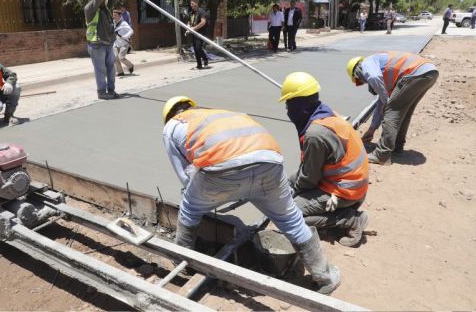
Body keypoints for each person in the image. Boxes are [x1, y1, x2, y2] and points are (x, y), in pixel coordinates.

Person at [162, 96, 340, 294]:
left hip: (222, 170)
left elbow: (185, 175)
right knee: (291, 219)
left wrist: (209, 194)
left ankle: (181, 260)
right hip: (269, 162)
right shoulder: (217, 114)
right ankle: (325, 277)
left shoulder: (172, 126)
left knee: (190, 208)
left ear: (169, 116)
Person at [279, 72, 369, 247]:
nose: (287, 109)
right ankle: (343, 211)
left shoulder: (315, 134)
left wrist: (291, 195)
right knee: (289, 181)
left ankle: (349, 219)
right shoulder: (327, 114)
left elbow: (309, 179)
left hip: (345, 192)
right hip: (354, 185)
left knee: (287, 215)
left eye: (289, 103)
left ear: (300, 105)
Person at [346, 52, 439, 165]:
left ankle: (381, 155)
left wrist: (386, 102)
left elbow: (374, 78)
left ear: (357, 71)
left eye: (361, 80)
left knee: (392, 112)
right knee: (403, 112)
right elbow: (381, 103)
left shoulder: (367, 63)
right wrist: (372, 129)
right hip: (429, 73)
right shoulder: (384, 72)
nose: (365, 82)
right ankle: (397, 148)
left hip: (416, 72)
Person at [84, 0, 120, 100]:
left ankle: (111, 90)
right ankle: (101, 92)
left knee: (111, 69)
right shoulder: (89, 9)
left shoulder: (106, 8)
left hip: (109, 43)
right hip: (97, 44)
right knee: (101, 70)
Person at [186, 0, 209, 70]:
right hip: (193, 33)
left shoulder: (201, 12)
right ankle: (199, 65)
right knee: (195, 49)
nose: (191, 5)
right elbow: (189, 23)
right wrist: (188, 29)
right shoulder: (191, 13)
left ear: (196, 3)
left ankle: (205, 59)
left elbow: (203, 22)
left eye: (192, 3)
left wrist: (194, 28)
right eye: (191, 3)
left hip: (200, 33)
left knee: (198, 48)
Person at [112, 9, 135, 76]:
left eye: (115, 15)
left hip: (124, 44)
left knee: (121, 57)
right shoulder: (113, 23)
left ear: (119, 16)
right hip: (116, 44)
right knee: (115, 58)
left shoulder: (123, 23)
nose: (114, 16)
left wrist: (125, 36)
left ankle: (130, 66)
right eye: (113, 15)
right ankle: (120, 72)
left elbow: (131, 31)